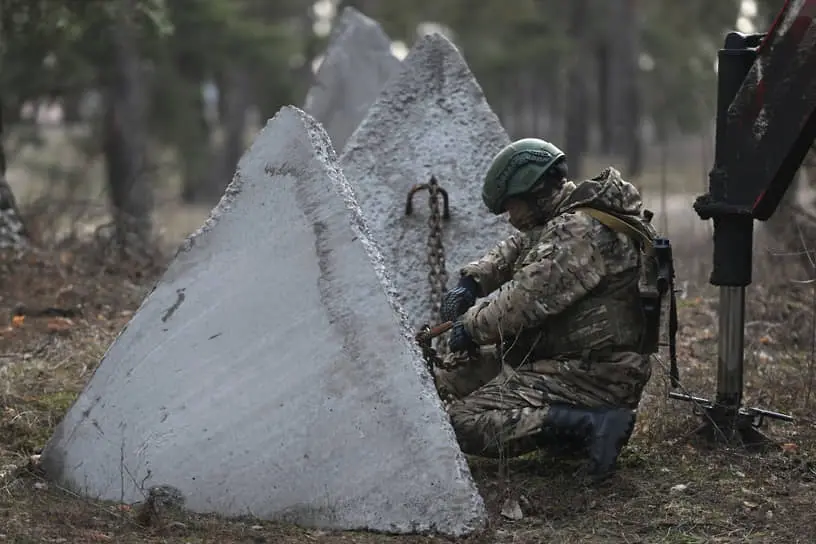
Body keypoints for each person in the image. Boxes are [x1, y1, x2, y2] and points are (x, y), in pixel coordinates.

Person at [435, 137, 657, 481]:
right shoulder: (571, 215)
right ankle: (574, 430)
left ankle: (594, 423)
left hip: (595, 375)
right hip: (572, 360)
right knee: (449, 379)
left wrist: (470, 326)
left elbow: (523, 301)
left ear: (534, 191)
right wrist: (472, 282)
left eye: (511, 207)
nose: (510, 219)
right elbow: (518, 247)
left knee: (463, 421)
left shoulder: (578, 231)